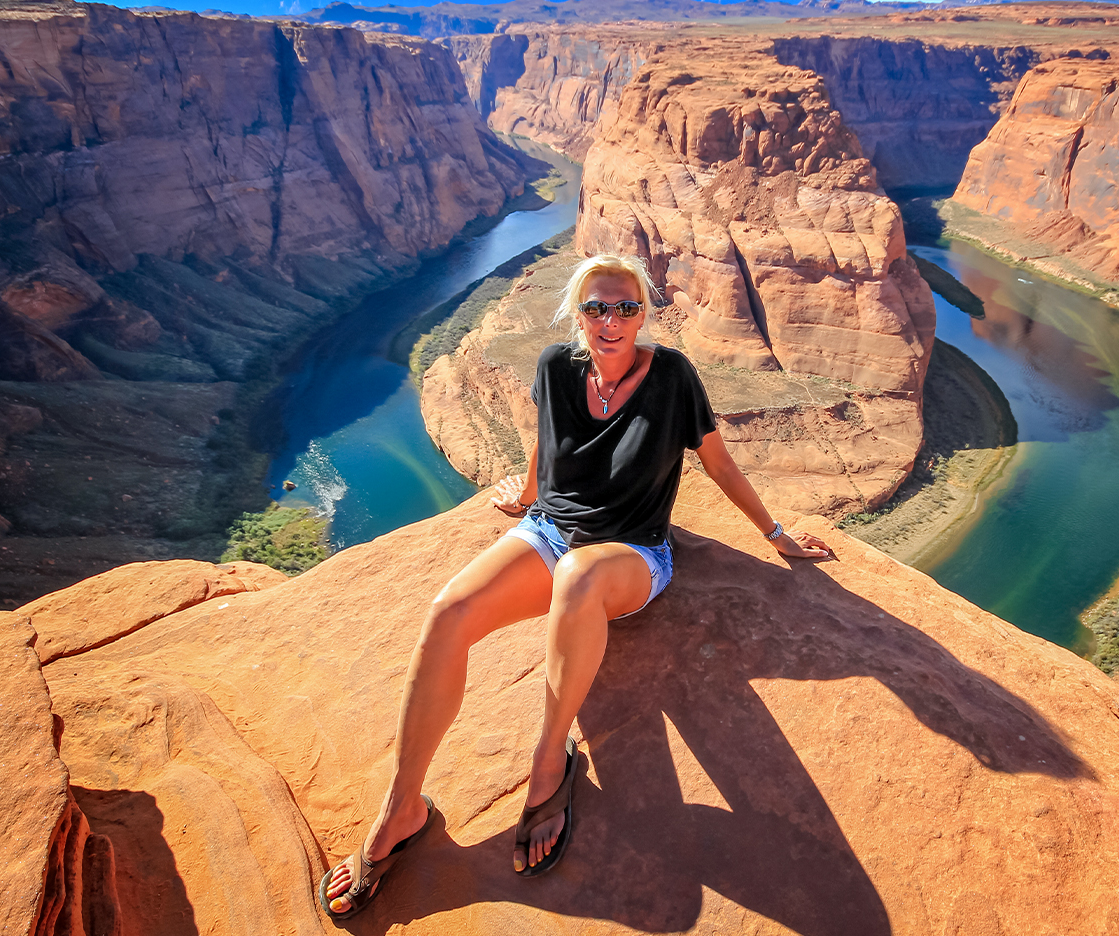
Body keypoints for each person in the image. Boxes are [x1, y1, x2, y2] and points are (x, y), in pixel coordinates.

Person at [319, 253, 832, 919]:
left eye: (626, 307)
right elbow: (544, 438)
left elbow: (719, 461)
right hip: (553, 531)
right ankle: (402, 809)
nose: (611, 320)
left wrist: (775, 533)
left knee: (579, 576)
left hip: (630, 557)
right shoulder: (555, 368)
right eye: (596, 306)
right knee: (448, 611)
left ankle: (549, 765)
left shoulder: (673, 376)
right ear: (576, 313)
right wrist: (526, 491)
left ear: (645, 314)